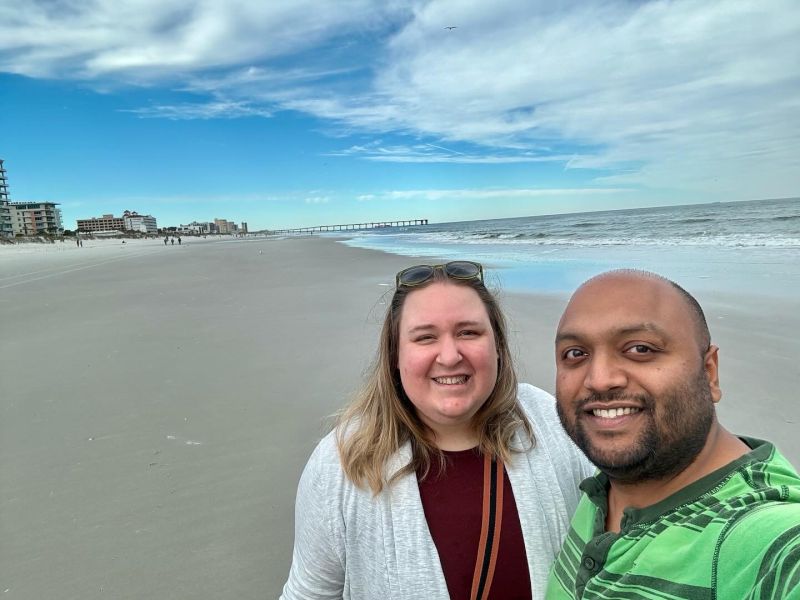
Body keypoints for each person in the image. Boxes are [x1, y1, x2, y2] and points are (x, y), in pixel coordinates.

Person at [281, 261, 593, 600]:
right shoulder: (341, 462)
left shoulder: (552, 422)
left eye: (468, 332)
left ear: (498, 347)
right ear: (395, 356)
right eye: (426, 337)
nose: (449, 355)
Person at [546, 269, 800, 599]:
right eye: (576, 354)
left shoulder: (764, 541)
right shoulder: (605, 484)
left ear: (709, 373)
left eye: (640, 348)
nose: (599, 379)